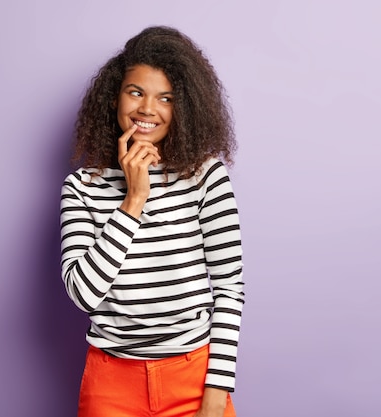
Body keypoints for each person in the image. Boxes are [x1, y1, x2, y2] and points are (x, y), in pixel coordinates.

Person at [60, 26, 244, 417]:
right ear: (114, 98)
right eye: (136, 92)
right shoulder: (80, 188)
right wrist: (134, 199)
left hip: (195, 379)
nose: (148, 109)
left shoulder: (205, 176)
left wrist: (216, 391)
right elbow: (83, 295)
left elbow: (229, 287)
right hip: (111, 385)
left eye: (166, 98)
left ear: (183, 108)